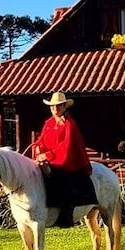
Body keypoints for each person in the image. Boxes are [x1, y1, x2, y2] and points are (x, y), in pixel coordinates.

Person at [33, 92, 95, 227]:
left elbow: (67, 146)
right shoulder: (48, 123)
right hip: (49, 160)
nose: (55, 109)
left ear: (64, 107)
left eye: (59, 106)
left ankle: (66, 215)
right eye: (53, 106)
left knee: (61, 181)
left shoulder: (69, 124)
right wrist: (38, 147)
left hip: (67, 162)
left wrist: (47, 155)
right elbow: (42, 140)